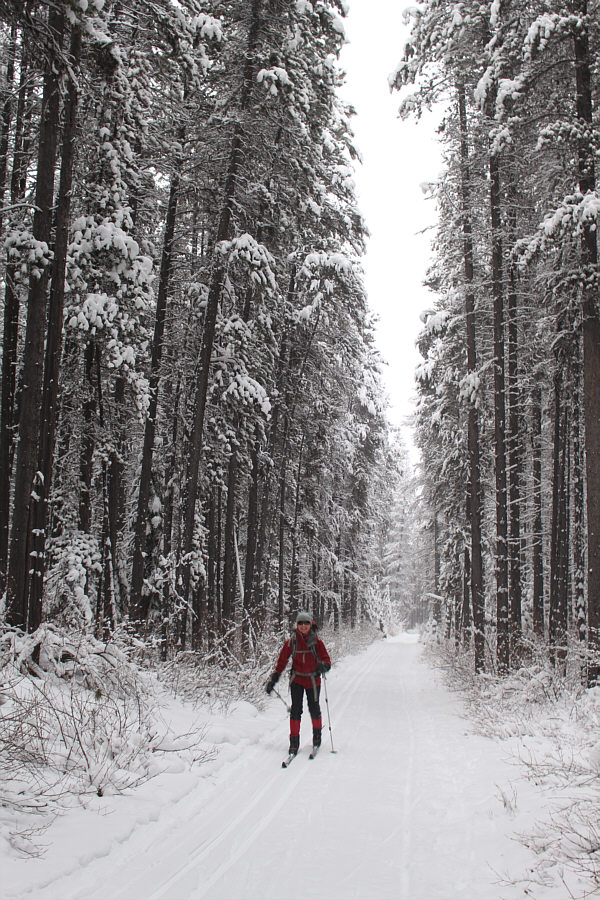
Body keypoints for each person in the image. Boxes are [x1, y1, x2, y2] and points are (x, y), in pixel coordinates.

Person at [265, 611, 331, 755]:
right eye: (300, 623)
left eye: (306, 623)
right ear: (297, 625)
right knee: (295, 711)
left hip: (313, 681)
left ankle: (317, 738)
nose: (303, 626)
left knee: (314, 709)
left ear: (310, 624)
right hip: (297, 680)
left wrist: (324, 666)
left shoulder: (317, 642)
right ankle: (294, 743)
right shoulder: (291, 642)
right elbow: (282, 661)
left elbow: (326, 659)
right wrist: (274, 678)